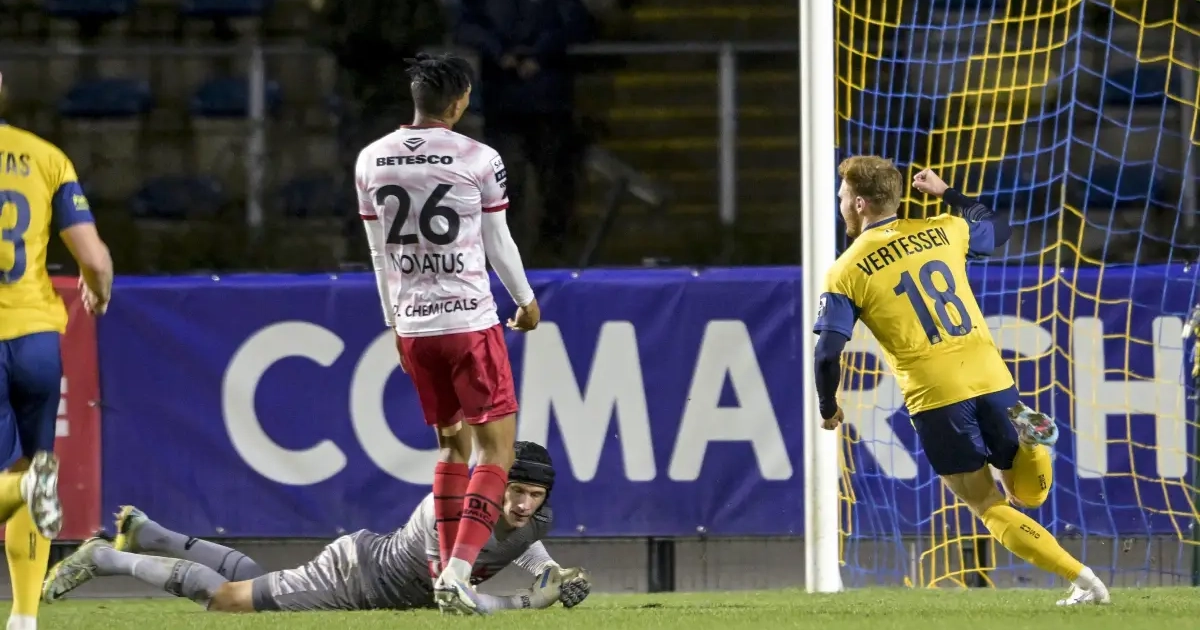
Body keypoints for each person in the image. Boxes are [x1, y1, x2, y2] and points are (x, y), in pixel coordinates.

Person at [813, 156, 1110, 606]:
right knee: (1026, 493)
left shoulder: (846, 270)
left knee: (987, 504)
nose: (840, 206)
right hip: (992, 376)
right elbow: (999, 228)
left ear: (859, 203)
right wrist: (946, 192)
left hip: (936, 395)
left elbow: (827, 354)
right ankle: (1034, 442)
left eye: (842, 198)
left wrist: (827, 405)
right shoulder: (946, 229)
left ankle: (1084, 581)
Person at [355, 52, 539, 615]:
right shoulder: (478, 157)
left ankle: (442, 567)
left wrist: (393, 322)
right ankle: (458, 573)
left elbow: (378, 253)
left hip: (414, 325)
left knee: (450, 444)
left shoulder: (371, 159)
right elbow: (498, 241)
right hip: (467, 321)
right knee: (497, 450)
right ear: (460, 102)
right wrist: (526, 301)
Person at [42, 442, 591, 614]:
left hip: (369, 572)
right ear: (492, 484)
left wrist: (555, 573)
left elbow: (524, 545)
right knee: (230, 601)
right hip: (357, 579)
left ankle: (146, 532)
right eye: (515, 491)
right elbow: (457, 601)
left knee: (253, 581)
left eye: (534, 495)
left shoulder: (536, 518)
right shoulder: (445, 511)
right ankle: (104, 556)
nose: (523, 505)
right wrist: (527, 603)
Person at [0, 71, 113, 630]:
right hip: (38, 339)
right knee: (33, 462)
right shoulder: (45, 157)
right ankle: (24, 619)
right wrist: (98, 288)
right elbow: (94, 257)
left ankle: (27, 485)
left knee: (20, 481)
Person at [456, 0, 594, 256]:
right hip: (507, 100)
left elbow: (577, 23)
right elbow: (465, 26)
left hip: (545, 102)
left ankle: (549, 254)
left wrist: (538, 55)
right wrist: (501, 53)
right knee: (508, 185)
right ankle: (512, 255)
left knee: (552, 187)